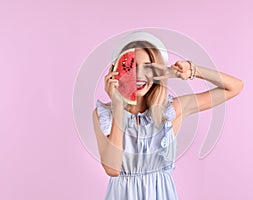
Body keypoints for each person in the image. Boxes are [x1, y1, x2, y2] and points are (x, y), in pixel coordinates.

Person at [92, 39, 244, 199]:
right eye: (131, 68)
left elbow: (235, 87)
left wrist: (192, 70)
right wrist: (117, 105)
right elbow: (112, 169)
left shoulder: (170, 110)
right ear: (116, 72)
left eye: (148, 68)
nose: (138, 75)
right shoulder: (104, 115)